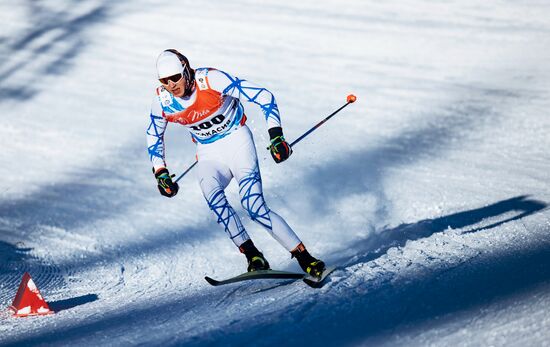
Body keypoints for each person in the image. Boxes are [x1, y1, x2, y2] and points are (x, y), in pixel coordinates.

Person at [146, 49, 325, 277]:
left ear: (186, 71)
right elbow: (153, 135)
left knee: (253, 205)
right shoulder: (162, 100)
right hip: (209, 153)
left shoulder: (210, 80)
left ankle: (305, 258)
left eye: (175, 78)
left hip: (237, 140)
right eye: (164, 80)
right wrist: (160, 172)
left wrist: (276, 136)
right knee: (213, 197)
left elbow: (264, 96)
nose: (171, 85)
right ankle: (253, 256)